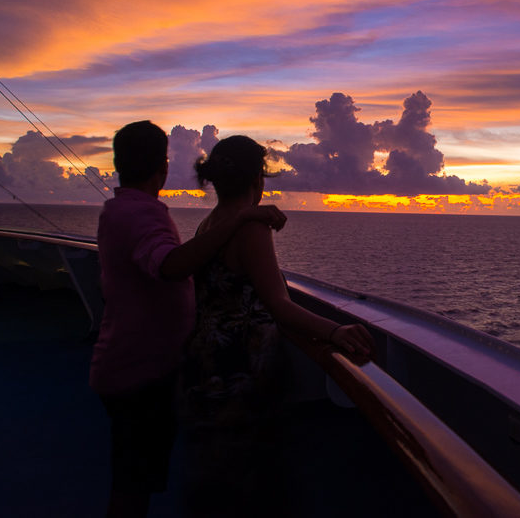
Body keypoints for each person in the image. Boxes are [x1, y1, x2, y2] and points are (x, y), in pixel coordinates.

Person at [90, 120, 287, 518]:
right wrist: (243, 218)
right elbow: (171, 265)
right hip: (137, 372)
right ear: (162, 167)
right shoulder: (140, 215)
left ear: (117, 165)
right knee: (133, 486)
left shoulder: (121, 210)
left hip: (137, 364)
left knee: (142, 480)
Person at [180, 135, 374, 516]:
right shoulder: (251, 229)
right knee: (252, 476)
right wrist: (336, 331)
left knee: (220, 471)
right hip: (243, 369)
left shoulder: (211, 224)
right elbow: (280, 306)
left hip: (207, 359)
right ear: (258, 180)